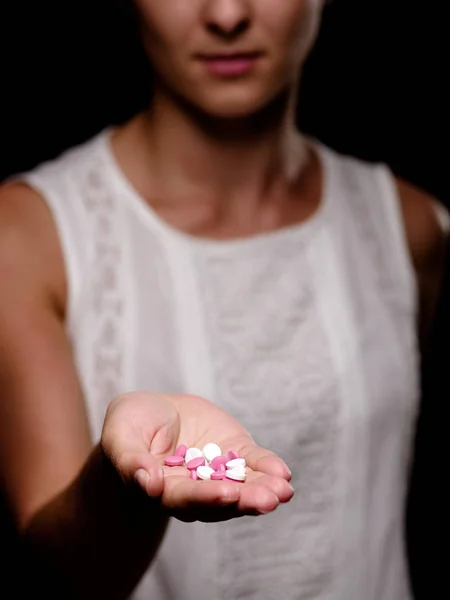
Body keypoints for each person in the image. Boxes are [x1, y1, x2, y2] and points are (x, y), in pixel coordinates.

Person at [0, 1, 448, 598]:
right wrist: (126, 482)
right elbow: (62, 576)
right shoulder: (26, 235)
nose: (228, 14)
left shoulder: (413, 227)